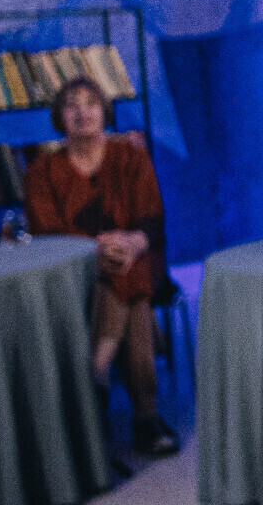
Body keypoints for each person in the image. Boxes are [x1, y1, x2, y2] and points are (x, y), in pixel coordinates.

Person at [24, 76, 178, 459]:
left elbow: (152, 220)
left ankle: (98, 370)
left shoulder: (131, 158)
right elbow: (46, 231)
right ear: (59, 116)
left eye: (91, 103)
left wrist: (131, 242)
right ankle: (146, 418)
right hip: (74, 271)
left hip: (136, 258)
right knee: (128, 285)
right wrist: (97, 248)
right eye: (71, 105)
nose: (83, 112)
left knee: (127, 270)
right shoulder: (42, 170)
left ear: (105, 110)